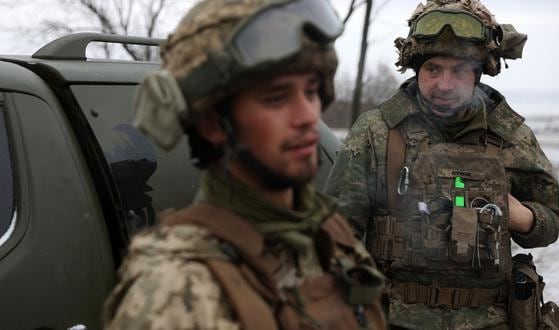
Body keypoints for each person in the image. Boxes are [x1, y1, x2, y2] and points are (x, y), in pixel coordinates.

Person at [104, 0, 386, 329]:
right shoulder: (178, 289)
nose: (308, 116)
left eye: (311, 92)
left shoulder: (332, 237)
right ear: (211, 122)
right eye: (276, 98)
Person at [324, 0, 559, 329]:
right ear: (417, 69)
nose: (444, 84)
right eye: (433, 69)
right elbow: (336, 232)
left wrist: (523, 217)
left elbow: (553, 219)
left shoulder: (511, 136)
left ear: (478, 74)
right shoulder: (378, 131)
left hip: (490, 320)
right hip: (394, 318)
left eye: (459, 70)